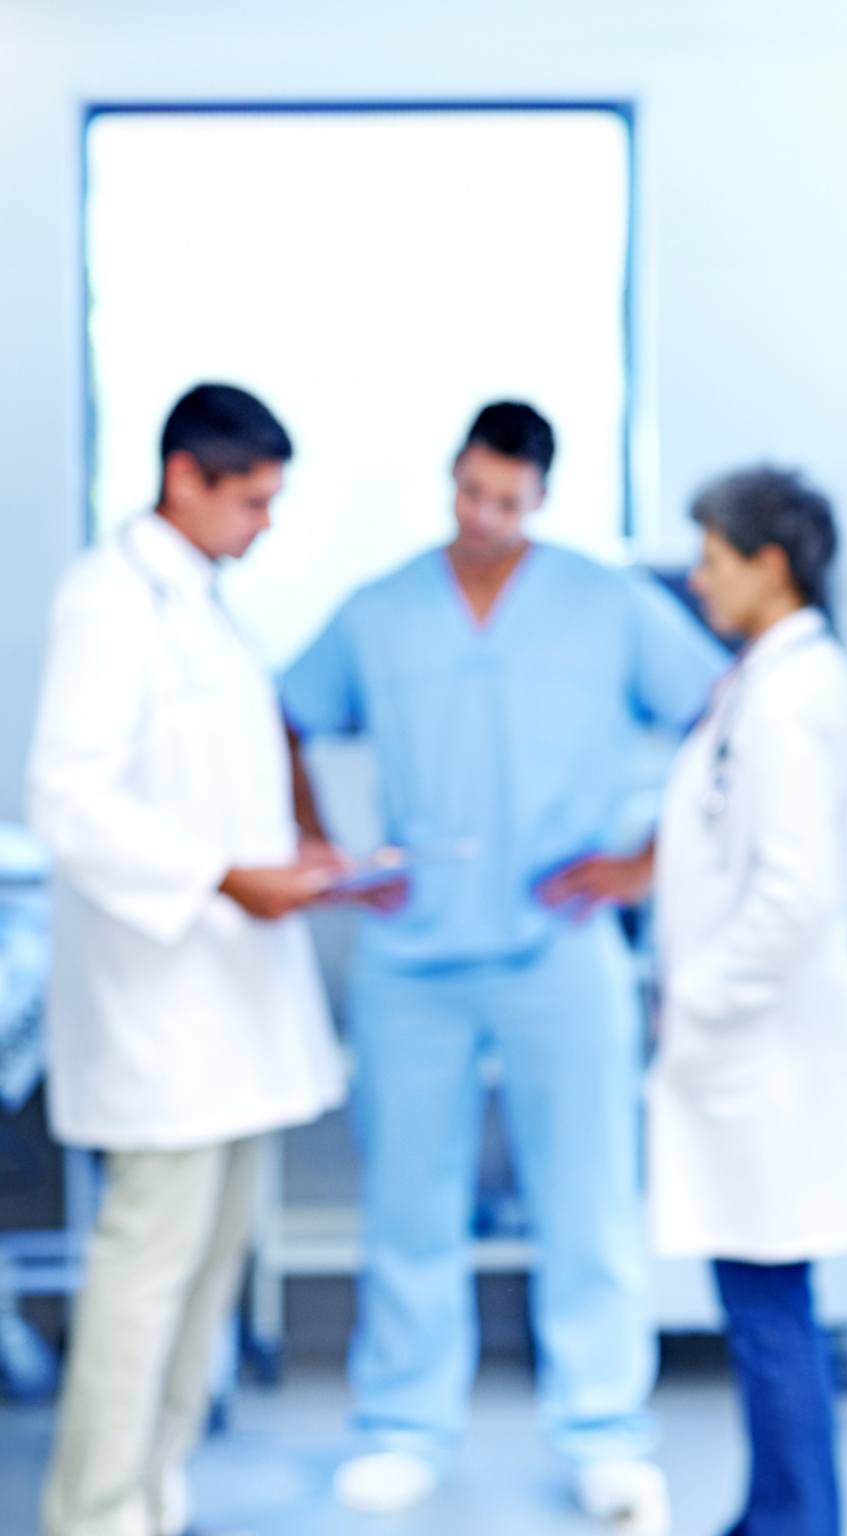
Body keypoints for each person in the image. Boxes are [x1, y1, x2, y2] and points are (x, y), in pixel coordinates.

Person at [280, 401, 727, 1531]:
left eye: (508, 503)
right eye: (470, 493)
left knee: (587, 1202)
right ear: (453, 478)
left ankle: (605, 1436)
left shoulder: (605, 605)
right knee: (407, 1201)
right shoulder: (380, 612)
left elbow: (723, 715)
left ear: (540, 498)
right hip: (410, 954)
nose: (484, 518)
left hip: (560, 949)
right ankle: (402, 1428)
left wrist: (642, 861)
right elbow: (281, 712)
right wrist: (318, 847)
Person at [29, 384, 350, 1536]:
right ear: (186, 480)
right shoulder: (109, 602)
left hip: (231, 1012)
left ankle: (151, 1501)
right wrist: (224, 875)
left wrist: (296, 852)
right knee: (144, 1282)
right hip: (162, 1015)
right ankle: (97, 1513)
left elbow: (220, 778)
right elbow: (68, 798)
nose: (265, 524)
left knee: (204, 1281)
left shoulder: (203, 605)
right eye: (252, 501)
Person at [638, 468, 847, 1536]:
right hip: (756, 1047)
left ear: (770, 565)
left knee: (768, 1314)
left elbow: (796, 896)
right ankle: (774, 1513)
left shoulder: (791, 694)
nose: (696, 579)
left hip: (761, 1048)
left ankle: (794, 1522)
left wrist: (697, 997)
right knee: (761, 1308)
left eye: (712, 557)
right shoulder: (775, 679)